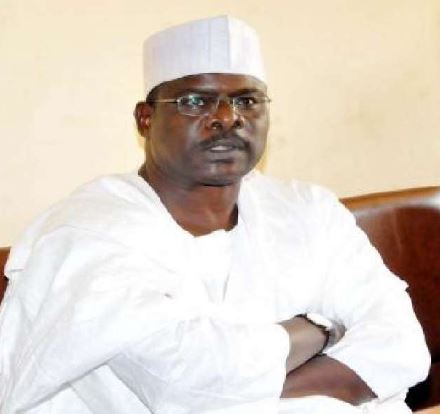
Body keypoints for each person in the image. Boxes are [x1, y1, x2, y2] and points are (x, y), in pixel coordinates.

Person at [0, 15, 430, 414]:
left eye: (247, 100)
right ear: (145, 118)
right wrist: (320, 329)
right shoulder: (86, 232)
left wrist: (240, 394)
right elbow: (183, 382)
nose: (227, 118)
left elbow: (402, 346)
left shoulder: (308, 210)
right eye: (195, 101)